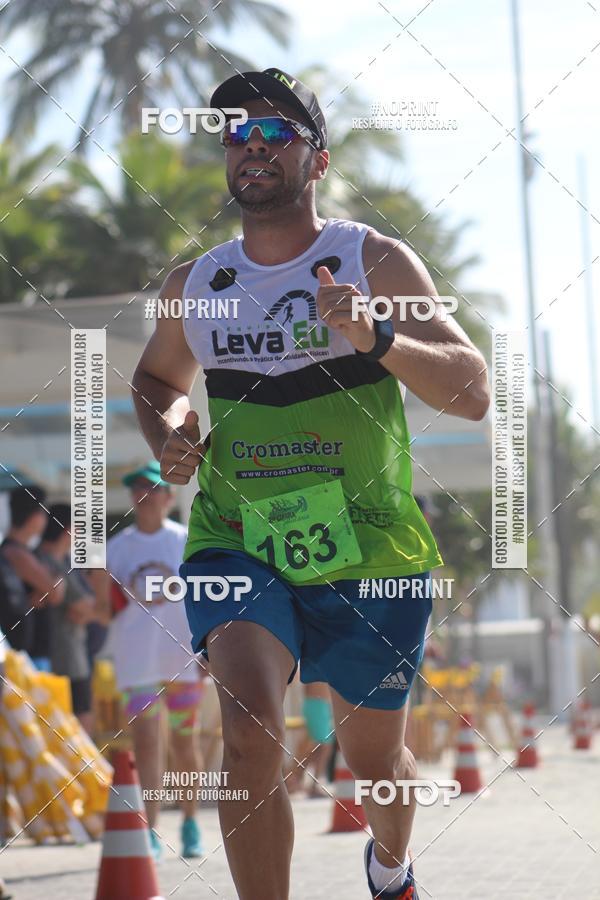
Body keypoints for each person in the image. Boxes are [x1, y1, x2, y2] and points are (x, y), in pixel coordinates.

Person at [131, 67, 490, 900]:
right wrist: (171, 432)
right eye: (237, 136)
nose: (251, 149)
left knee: (375, 762)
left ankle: (392, 865)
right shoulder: (198, 286)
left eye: (274, 135)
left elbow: (471, 391)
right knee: (251, 729)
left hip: (369, 542)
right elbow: (157, 382)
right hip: (238, 534)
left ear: (317, 161)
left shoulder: (371, 260)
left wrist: (377, 337)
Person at [103, 462, 204, 861]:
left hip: (180, 656)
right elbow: (103, 604)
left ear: (168, 495)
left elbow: (202, 597)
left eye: (151, 488)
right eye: (136, 489)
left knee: (184, 741)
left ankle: (191, 821)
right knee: (146, 743)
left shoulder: (185, 539)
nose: (143, 496)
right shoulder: (117, 548)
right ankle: (151, 828)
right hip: (136, 659)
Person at [35, 503, 105, 734]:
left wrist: (91, 610)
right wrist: (95, 609)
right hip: (61, 661)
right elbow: (87, 606)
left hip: (76, 657)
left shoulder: (65, 562)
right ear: (68, 529)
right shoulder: (43, 562)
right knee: (73, 733)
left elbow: (90, 609)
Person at [0, 485, 64, 662]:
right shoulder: (15, 553)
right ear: (35, 516)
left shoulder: (22, 552)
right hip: (27, 657)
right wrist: (55, 570)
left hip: (30, 652)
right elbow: (56, 592)